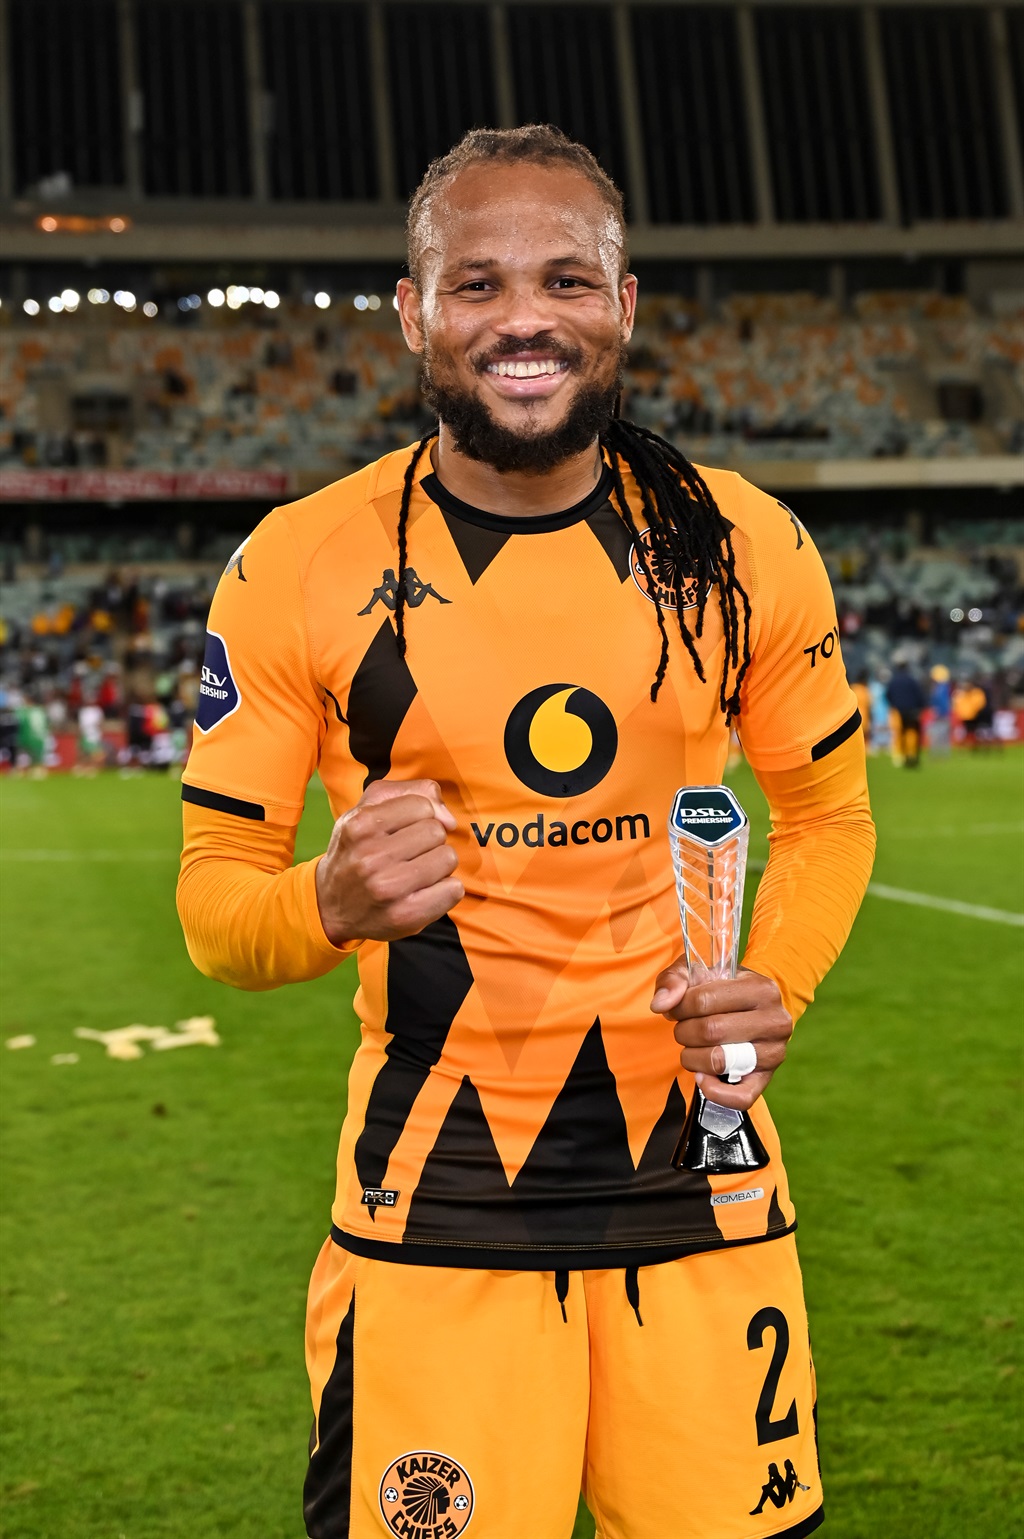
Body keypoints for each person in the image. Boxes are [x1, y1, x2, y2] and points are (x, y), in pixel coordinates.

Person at [177, 126, 875, 1539]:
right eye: (477, 282)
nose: (523, 319)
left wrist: (773, 987)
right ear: (413, 309)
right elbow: (215, 907)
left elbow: (826, 813)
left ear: (621, 305)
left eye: (565, 279)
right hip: (431, 1216)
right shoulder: (296, 565)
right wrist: (328, 894)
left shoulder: (743, 545)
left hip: (707, 1188)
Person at [886, 656, 925, 768]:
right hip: (912, 710)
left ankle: (900, 756)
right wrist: (920, 707)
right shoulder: (912, 680)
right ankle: (911, 755)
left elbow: (888, 695)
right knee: (911, 732)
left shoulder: (893, 681)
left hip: (898, 711)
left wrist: (893, 704)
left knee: (900, 733)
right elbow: (919, 696)